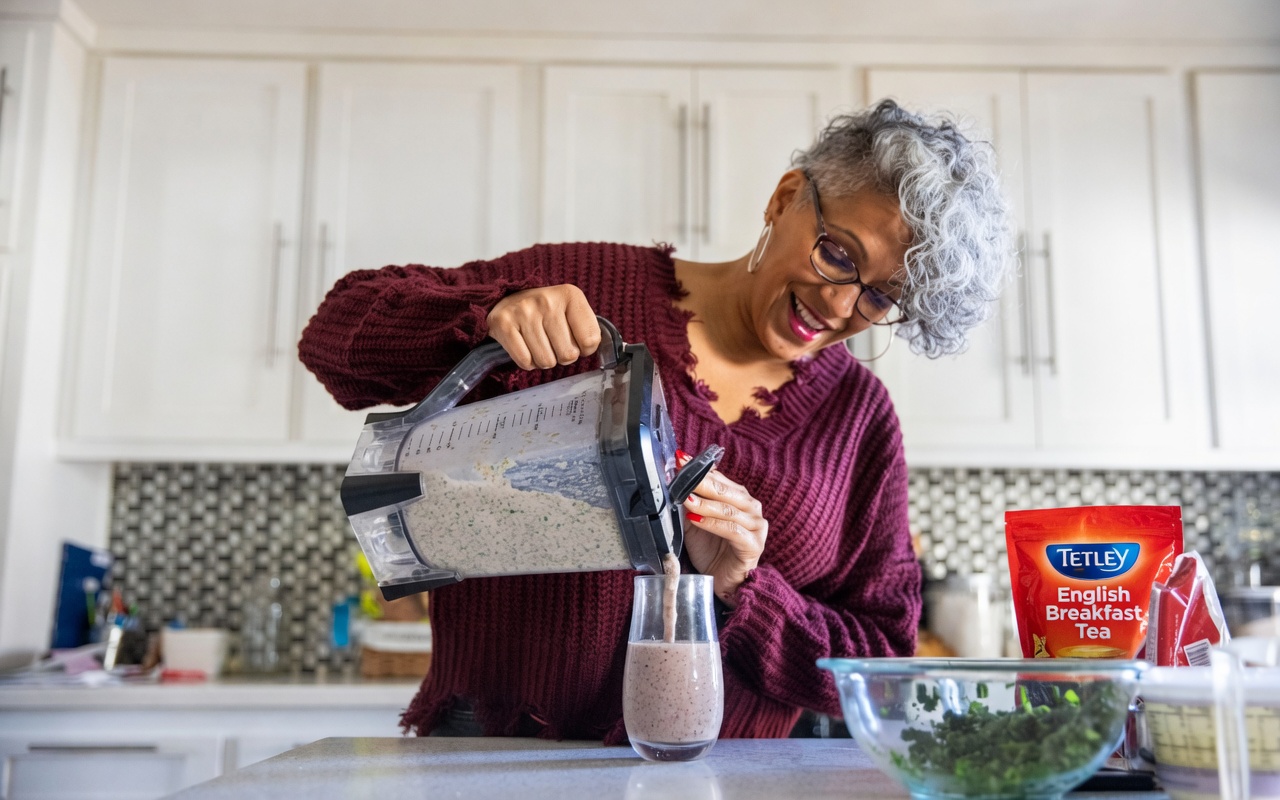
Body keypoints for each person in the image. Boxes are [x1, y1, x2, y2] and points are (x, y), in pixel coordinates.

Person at [299, 99, 1012, 742]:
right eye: (837, 255)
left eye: (880, 299)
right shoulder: (584, 287)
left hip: (729, 779)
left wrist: (745, 593)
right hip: (496, 755)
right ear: (785, 198)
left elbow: (881, 659)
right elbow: (335, 339)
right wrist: (485, 315)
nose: (839, 305)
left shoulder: (857, 419)